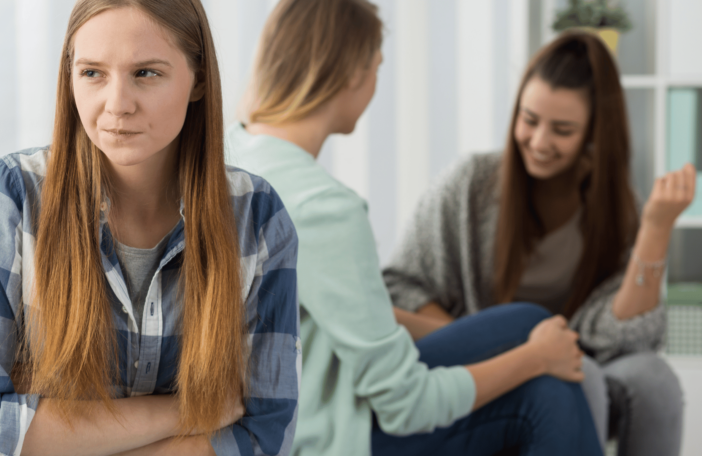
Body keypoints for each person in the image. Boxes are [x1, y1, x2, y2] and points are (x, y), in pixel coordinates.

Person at [227, 1, 603, 455]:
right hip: (314, 434)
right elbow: (406, 405)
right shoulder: (323, 208)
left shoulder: (233, 151)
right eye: (377, 67)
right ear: (352, 72)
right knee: (542, 372)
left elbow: (318, 317)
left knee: (530, 334)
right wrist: (535, 357)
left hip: (274, 413)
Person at [0, 1, 300, 455]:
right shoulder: (10, 198)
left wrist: (58, 432)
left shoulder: (257, 217)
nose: (117, 105)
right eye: (92, 73)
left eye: (146, 73)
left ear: (199, 80)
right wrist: (192, 412)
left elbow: (264, 438)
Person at [384, 32, 692, 456]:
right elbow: (401, 286)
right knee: (582, 376)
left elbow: (630, 335)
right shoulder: (470, 184)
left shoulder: (618, 207)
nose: (540, 141)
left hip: (580, 351)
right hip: (494, 359)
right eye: (529, 120)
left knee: (652, 379)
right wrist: (495, 343)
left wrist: (656, 228)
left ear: (594, 134)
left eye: (562, 130)